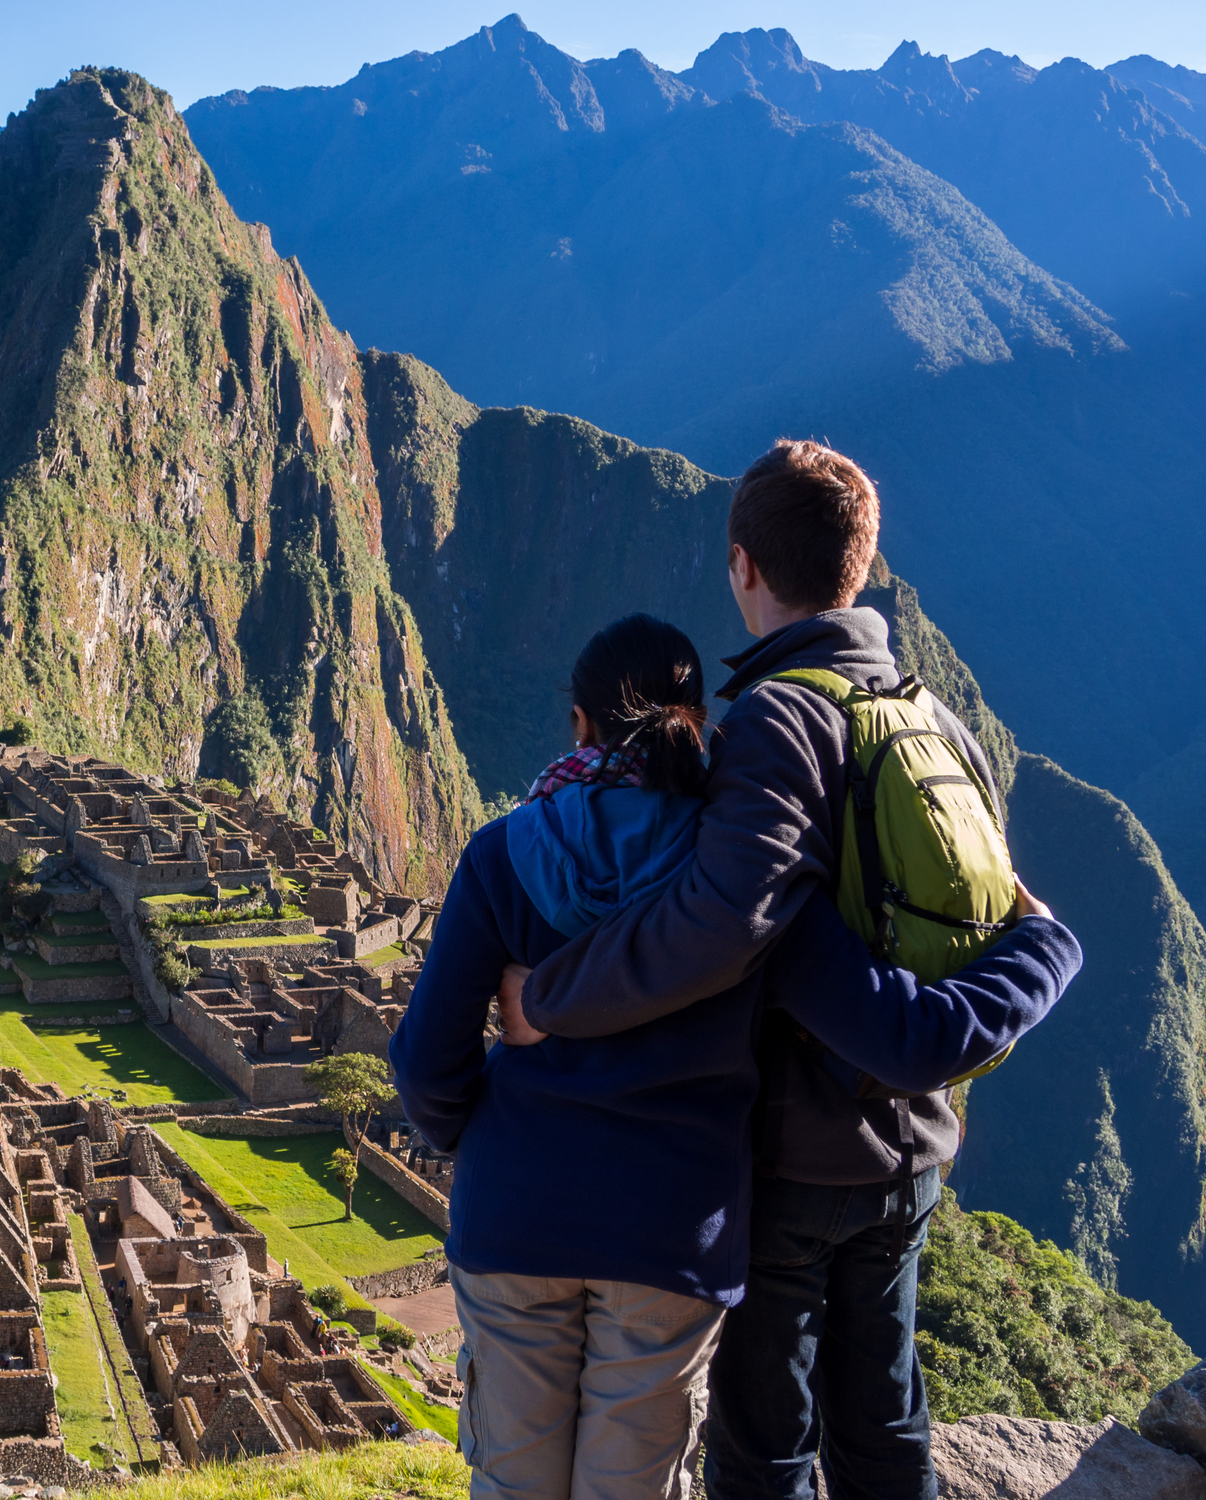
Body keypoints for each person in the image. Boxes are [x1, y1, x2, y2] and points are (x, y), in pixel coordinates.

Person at [392, 612, 1079, 1500]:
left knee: (514, 1483)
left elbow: (428, 1062)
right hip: (672, 1231)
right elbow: (901, 1028)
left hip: (517, 1214)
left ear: (580, 724)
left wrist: (477, 1131)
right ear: (697, 724)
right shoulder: (744, 880)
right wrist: (1046, 943)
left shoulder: (500, 855)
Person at [509, 444, 1029, 1499]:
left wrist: (555, 998)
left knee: (764, 1441)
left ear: (742, 566)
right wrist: (1049, 951)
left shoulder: (773, 721)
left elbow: (719, 923)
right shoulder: (929, 717)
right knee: (884, 1420)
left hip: (789, 1155)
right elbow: (984, 915)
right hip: (913, 1147)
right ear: (861, 564)